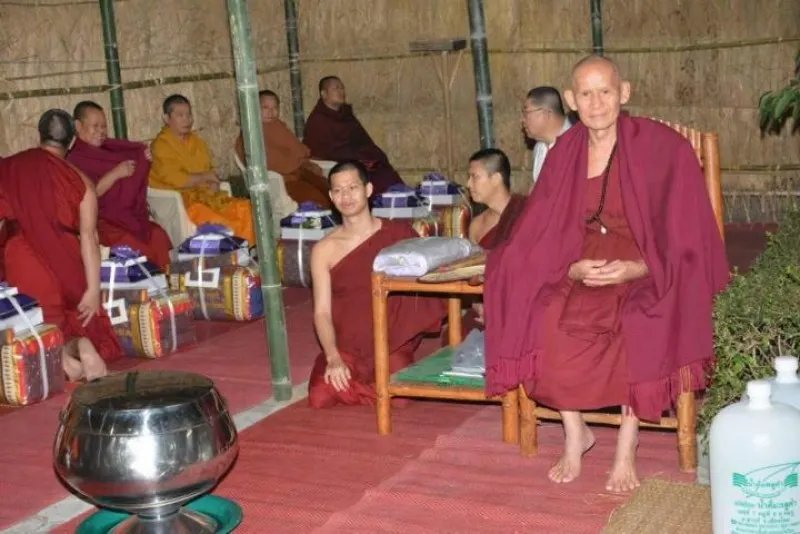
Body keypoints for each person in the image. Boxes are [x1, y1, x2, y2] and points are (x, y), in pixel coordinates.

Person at [483, 56, 730, 493]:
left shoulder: (662, 147)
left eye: (606, 92)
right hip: (580, 259)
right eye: (586, 94)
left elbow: (687, 230)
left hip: (648, 259)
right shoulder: (564, 154)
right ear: (571, 100)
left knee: (638, 319)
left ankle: (626, 446)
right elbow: (543, 228)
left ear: (624, 93)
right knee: (542, 311)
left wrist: (640, 267)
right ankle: (575, 431)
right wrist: (568, 267)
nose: (596, 103)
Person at [307, 160, 445, 408]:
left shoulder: (398, 235)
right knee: (320, 396)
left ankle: (379, 389)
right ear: (331, 196)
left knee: (401, 399)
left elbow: (424, 282)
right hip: (347, 344)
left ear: (368, 190)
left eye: (352, 188)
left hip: (390, 341)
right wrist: (333, 356)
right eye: (338, 190)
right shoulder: (323, 250)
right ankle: (380, 391)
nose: (346, 196)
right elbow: (322, 312)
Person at [0, 110, 123, 381]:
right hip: (67, 261)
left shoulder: (10, 167)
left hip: (22, 259)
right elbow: (89, 238)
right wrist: (92, 290)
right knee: (76, 319)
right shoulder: (82, 181)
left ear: (39, 135)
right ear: (72, 142)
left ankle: (62, 358)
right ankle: (80, 346)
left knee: (29, 326)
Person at [68, 101, 173, 268]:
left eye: (104, 126)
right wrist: (115, 174)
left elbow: (135, 157)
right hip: (101, 222)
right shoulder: (73, 159)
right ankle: (150, 282)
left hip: (126, 216)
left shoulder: (111, 147)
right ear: (78, 126)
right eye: (95, 126)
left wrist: (144, 159)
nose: (101, 131)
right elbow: (87, 195)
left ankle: (166, 279)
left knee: (157, 235)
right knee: (133, 245)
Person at [148, 94, 256, 243]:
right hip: (185, 204)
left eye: (189, 115)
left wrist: (214, 183)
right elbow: (177, 179)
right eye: (180, 115)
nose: (187, 120)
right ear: (166, 119)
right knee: (224, 224)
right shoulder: (161, 145)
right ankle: (234, 254)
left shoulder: (197, 141)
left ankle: (248, 251)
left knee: (248, 209)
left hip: (207, 197)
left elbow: (209, 169)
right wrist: (205, 177)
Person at [303, 76, 404, 196]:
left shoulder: (346, 115)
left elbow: (363, 140)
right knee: (373, 180)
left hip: (359, 159)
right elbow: (324, 152)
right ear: (324, 94)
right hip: (342, 165)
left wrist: (372, 155)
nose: (341, 91)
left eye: (342, 88)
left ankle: (401, 200)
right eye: (336, 88)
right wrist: (358, 159)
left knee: (385, 172)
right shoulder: (318, 120)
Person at [462, 148, 527, 330]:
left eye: (475, 177)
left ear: (496, 179)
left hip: (520, 306)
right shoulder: (477, 225)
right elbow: (470, 274)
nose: (468, 184)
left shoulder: (526, 213)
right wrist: (478, 305)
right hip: (485, 305)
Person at [235, 90, 331, 209]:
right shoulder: (250, 133)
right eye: (265, 107)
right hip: (281, 181)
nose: (271, 112)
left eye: (275, 107)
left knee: (329, 189)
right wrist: (297, 161)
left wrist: (302, 162)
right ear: (254, 109)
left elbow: (299, 149)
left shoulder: (278, 126)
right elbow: (268, 161)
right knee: (315, 199)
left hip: (299, 172)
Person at [522, 86, 574, 187]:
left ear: (545, 114)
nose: (523, 120)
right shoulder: (539, 147)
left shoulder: (576, 144)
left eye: (526, 113)